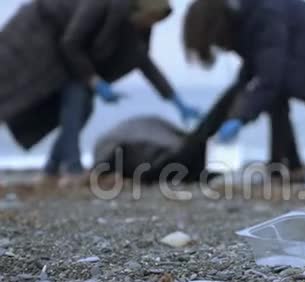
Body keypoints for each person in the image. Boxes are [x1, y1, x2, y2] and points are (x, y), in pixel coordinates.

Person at [0, 0, 200, 185]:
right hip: (42, 43)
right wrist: (95, 81)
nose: (151, 25)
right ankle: (72, 170)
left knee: (82, 110)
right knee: (75, 104)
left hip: (76, 62)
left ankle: (51, 171)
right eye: (151, 19)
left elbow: (144, 62)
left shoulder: (138, 28)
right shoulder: (101, 5)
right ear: (138, 8)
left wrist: (176, 101)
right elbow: (71, 42)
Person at [181, 0, 305, 183]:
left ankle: (284, 168)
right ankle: (290, 167)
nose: (219, 45)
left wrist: (239, 117)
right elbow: (249, 76)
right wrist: (214, 125)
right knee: (270, 95)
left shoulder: (265, 15)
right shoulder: (244, 19)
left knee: (274, 93)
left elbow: (268, 78)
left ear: (217, 25)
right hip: (302, 49)